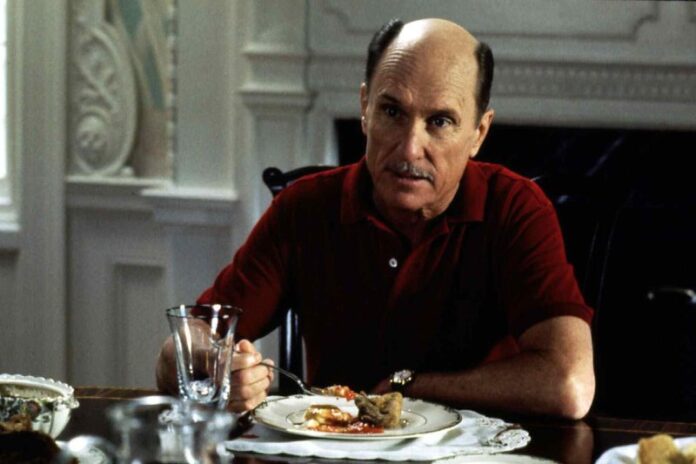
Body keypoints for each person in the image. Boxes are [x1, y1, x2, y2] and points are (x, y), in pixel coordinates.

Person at [157, 17, 595, 419]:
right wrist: (218, 369)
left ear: (478, 133)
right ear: (365, 108)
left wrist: (411, 387)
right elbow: (181, 349)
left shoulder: (515, 208)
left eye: (440, 121)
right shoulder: (305, 206)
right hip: (335, 451)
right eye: (392, 112)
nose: (410, 148)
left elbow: (569, 385)